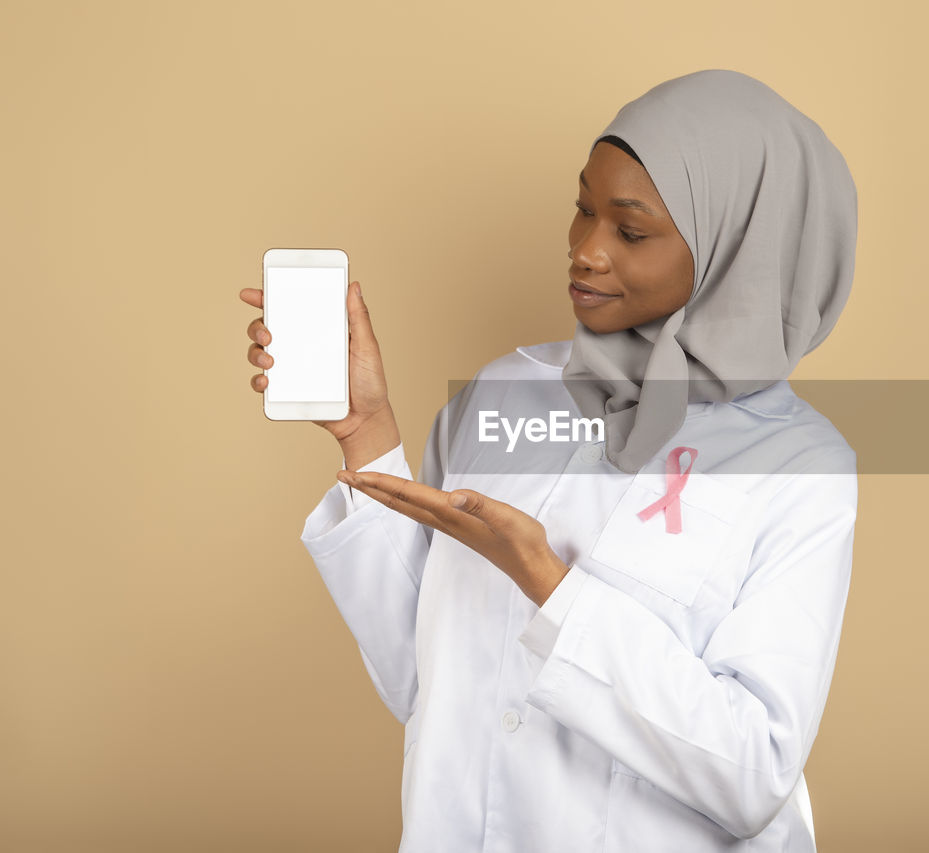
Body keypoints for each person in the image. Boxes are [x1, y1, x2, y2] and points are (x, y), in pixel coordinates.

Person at [240, 69, 858, 852]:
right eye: (582, 209)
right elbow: (423, 679)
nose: (585, 251)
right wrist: (367, 433)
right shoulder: (505, 392)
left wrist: (547, 585)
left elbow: (753, 774)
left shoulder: (799, 466)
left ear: (737, 249)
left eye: (630, 232)